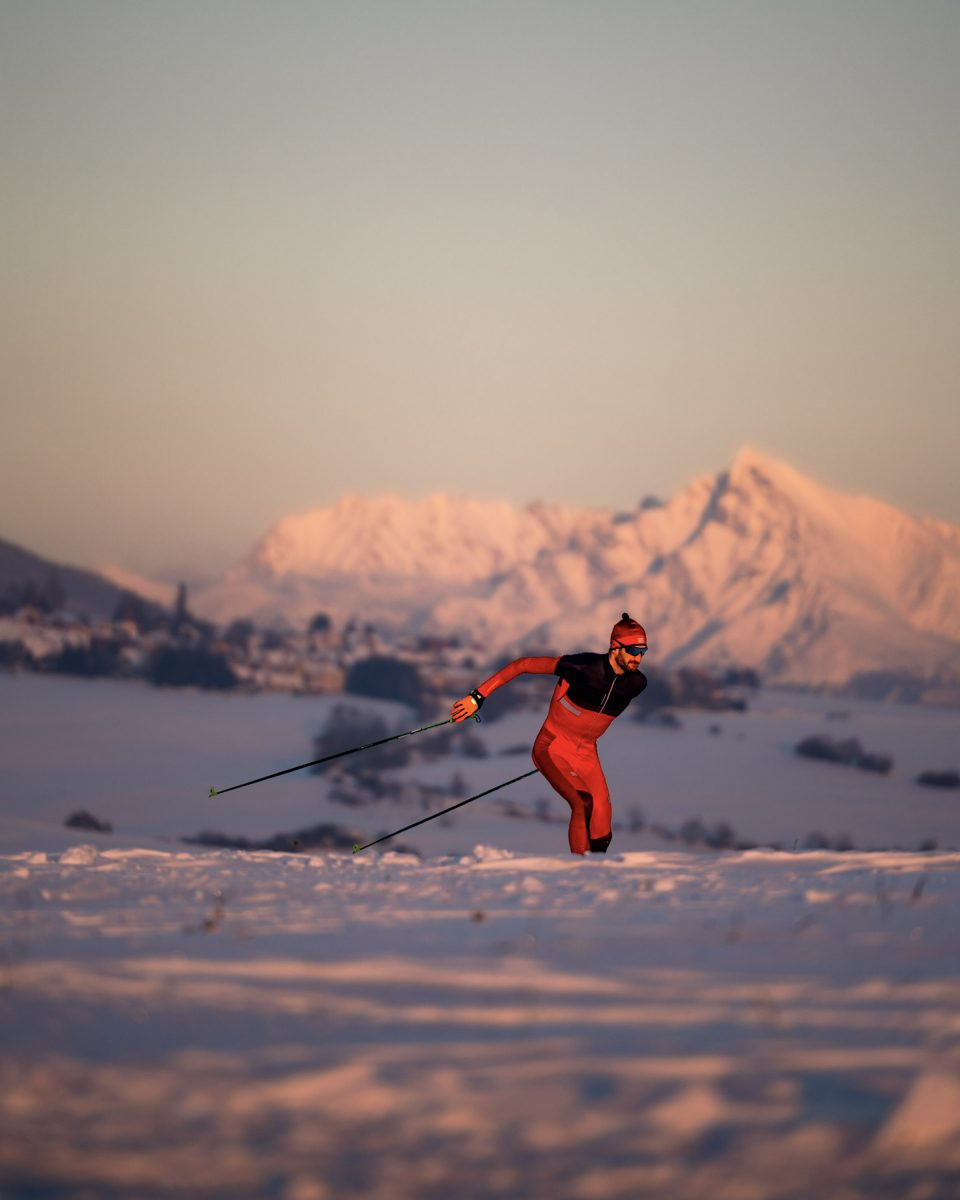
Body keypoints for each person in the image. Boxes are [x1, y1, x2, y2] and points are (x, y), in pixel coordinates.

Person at [452, 613, 649, 855]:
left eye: (643, 652)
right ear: (615, 646)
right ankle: (579, 870)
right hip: (552, 746)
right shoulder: (582, 667)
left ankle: (599, 873)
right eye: (633, 650)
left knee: (602, 818)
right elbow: (522, 665)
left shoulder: (637, 684)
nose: (637, 658)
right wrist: (477, 697)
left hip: (586, 752)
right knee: (582, 803)